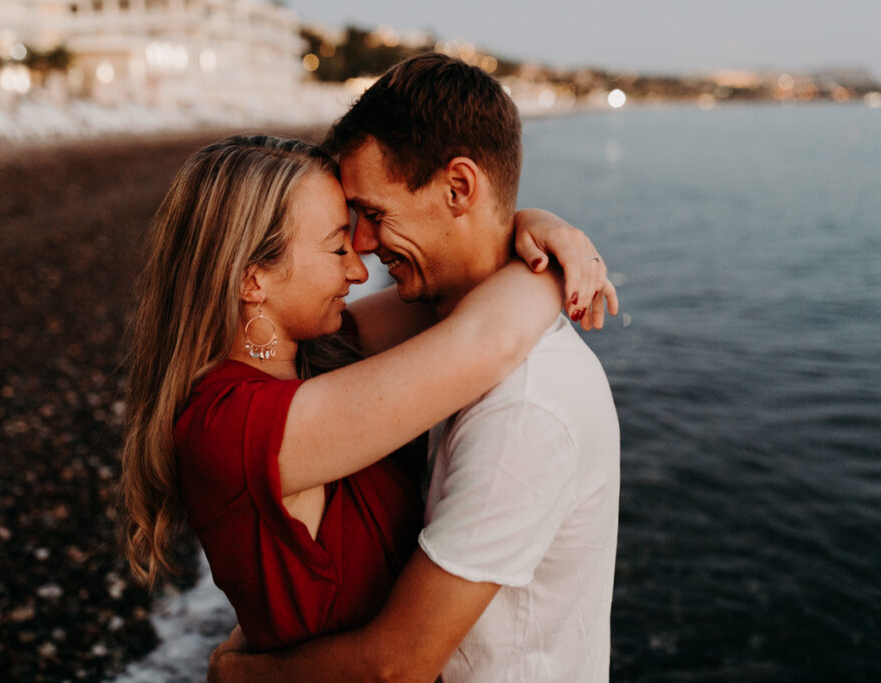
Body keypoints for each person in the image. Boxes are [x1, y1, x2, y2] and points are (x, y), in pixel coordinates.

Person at [118, 132, 614, 655]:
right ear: (252, 279)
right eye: (338, 247)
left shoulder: (322, 355)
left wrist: (536, 224)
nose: (358, 268)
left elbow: (465, 282)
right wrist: (558, 263)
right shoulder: (230, 426)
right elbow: (489, 337)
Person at [209, 54, 620, 682]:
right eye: (344, 233)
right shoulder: (439, 339)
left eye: (374, 215)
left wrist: (236, 676)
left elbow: (396, 667)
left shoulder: (524, 406)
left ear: (459, 188)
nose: (362, 248)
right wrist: (540, 242)